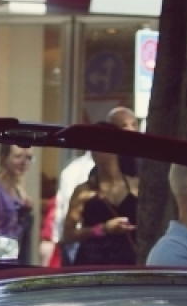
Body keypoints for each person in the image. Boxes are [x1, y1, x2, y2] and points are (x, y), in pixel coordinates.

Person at [51, 107, 139, 264]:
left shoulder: (135, 186)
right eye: (92, 144)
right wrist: (103, 229)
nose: (94, 150)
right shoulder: (83, 190)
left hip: (127, 262)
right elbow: (67, 235)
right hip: (92, 262)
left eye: (100, 144)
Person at [0, 144, 34, 261]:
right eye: (18, 156)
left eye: (28, 158)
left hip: (19, 262)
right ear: (3, 157)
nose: (24, 162)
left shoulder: (18, 188)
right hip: (0, 264)